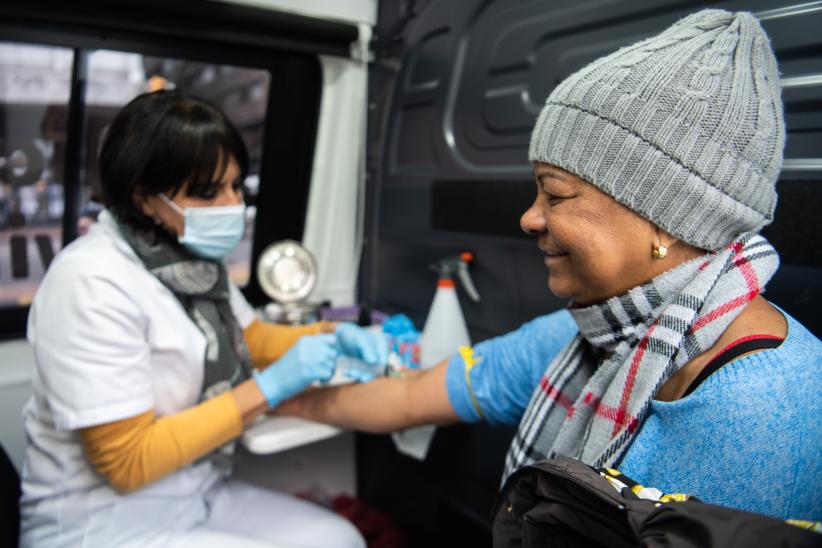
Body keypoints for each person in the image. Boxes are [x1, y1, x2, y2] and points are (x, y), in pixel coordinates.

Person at [276, 9, 822, 522]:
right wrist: (270, 400)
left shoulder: (766, 413)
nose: (529, 219)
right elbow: (408, 397)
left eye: (556, 196)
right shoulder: (597, 334)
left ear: (668, 220)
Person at [19, 90, 385, 547]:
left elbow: (250, 336)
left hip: (192, 493)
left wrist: (334, 334)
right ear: (145, 198)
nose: (232, 205)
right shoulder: (91, 280)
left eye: (237, 186)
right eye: (207, 192)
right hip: (103, 522)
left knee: (339, 538)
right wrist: (270, 386)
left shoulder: (192, 265)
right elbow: (126, 462)